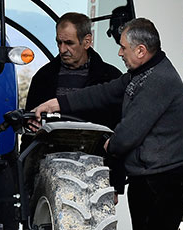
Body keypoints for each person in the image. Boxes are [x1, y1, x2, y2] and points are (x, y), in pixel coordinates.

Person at [33, 18, 183, 230]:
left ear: (141, 50)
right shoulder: (139, 75)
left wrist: (106, 145)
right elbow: (103, 92)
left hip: (162, 183)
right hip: (148, 179)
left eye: (123, 48)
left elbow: (128, 135)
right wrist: (58, 104)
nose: (119, 53)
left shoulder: (158, 82)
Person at [23, 13, 125, 200]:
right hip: (47, 173)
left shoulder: (111, 78)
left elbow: (119, 133)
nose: (63, 49)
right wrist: (25, 183)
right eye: (59, 43)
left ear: (87, 42)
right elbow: (30, 132)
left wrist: (115, 183)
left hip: (96, 174)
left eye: (69, 43)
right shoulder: (43, 78)